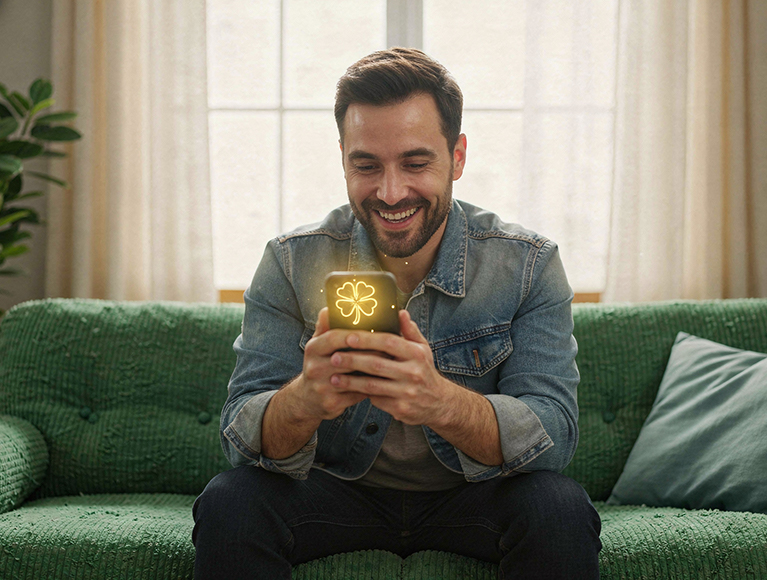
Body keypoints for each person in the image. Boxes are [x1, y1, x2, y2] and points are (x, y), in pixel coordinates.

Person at [192, 47, 602, 579]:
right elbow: (240, 436)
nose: (390, 192)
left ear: (456, 157)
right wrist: (306, 399)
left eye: (415, 162)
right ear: (343, 158)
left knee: (558, 505)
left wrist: (438, 402)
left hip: (473, 499)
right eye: (366, 165)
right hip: (334, 494)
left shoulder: (528, 265)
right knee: (231, 500)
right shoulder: (291, 262)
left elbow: (555, 434)